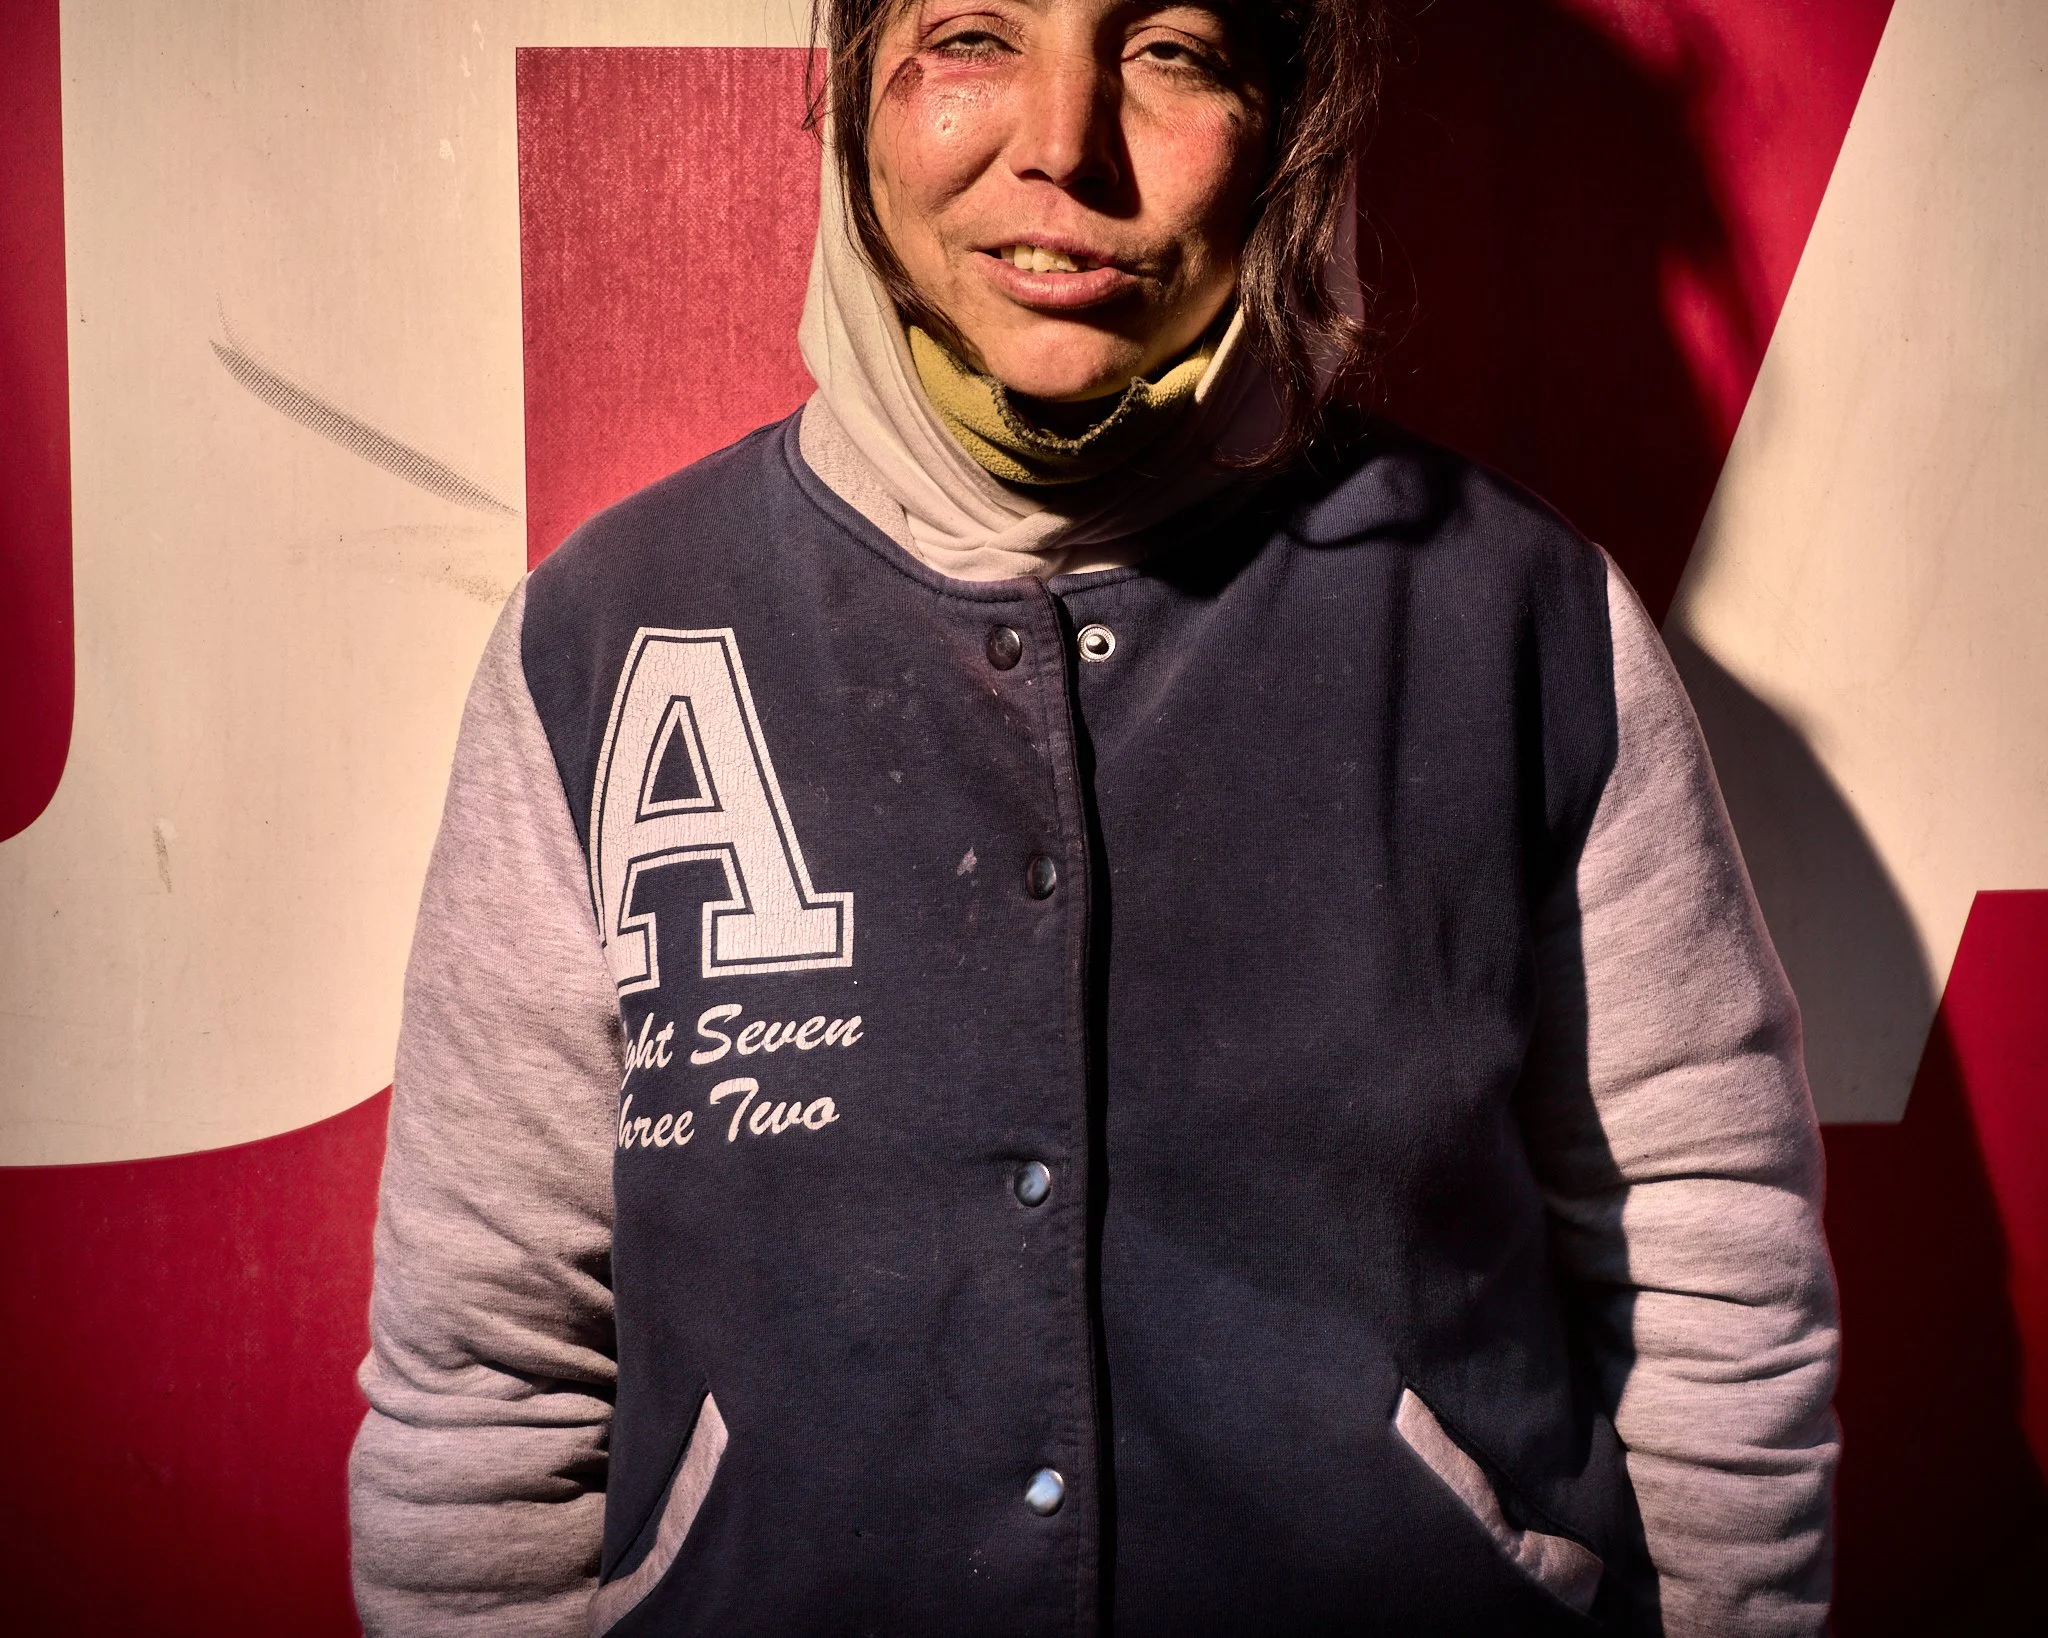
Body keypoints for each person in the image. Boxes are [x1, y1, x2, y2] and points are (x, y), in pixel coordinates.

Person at [349, 2, 1839, 1633]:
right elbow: (485, 1373)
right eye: (975, 35)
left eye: (1170, 50)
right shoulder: (605, 636)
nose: (1063, 139)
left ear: (1288, 119)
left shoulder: (1521, 624)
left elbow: (1714, 1281)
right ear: (852, 89)